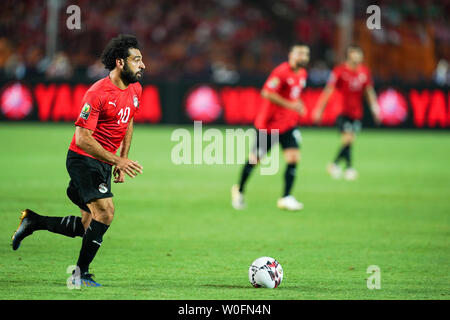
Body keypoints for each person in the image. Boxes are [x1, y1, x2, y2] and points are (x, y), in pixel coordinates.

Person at [11, 34, 145, 287]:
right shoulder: (97, 93)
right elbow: (82, 139)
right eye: (136, 60)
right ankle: (80, 274)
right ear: (120, 62)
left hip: (104, 162)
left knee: (87, 227)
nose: (142, 65)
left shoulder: (136, 89)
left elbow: (128, 122)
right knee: (105, 213)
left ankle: (33, 221)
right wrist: (117, 160)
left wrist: (121, 161)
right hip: (83, 159)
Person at [232, 44, 310, 211]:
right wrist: (291, 105)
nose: (303, 57)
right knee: (255, 159)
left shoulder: (302, 74)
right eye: (299, 53)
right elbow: (266, 93)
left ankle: (286, 197)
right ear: (291, 55)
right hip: (268, 125)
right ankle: (239, 190)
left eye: (305, 54)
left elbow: (294, 96)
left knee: (294, 158)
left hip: (288, 124)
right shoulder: (281, 72)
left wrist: (299, 105)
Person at [313, 45, 381, 180]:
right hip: (341, 110)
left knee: (350, 141)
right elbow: (328, 90)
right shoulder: (339, 71)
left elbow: (368, 91)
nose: (357, 57)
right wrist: (319, 109)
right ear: (349, 56)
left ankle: (337, 165)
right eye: (354, 54)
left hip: (356, 111)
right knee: (348, 138)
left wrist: (375, 108)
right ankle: (347, 168)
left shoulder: (364, 72)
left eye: (359, 54)